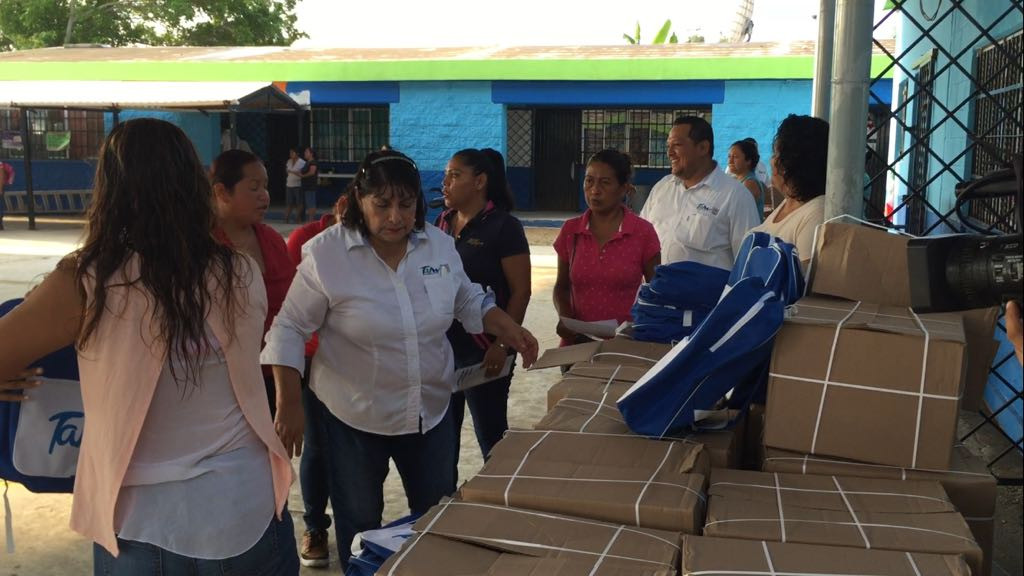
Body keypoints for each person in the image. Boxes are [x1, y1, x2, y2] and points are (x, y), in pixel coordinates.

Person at [0, 118, 298, 574]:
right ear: (195, 185)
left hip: (141, 519)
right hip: (247, 503)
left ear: (111, 190)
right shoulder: (240, 272)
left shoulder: (86, 281)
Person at [261, 148, 539, 571]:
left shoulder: (438, 245)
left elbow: (468, 299)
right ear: (359, 199)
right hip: (354, 417)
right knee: (360, 528)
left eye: (406, 205)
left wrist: (509, 329)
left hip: (429, 413)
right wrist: (288, 402)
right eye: (383, 204)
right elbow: (289, 328)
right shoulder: (326, 255)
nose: (396, 217)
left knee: (433, 520)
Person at [437, 148, 531, 470]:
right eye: (446, 174)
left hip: (484, 353)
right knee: (441, 439)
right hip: (443, 351)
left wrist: (502, 346)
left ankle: (498, 502)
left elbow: (520, 292)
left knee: (491, 437)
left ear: (479, 181)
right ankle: (442, 504)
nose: (445, 182)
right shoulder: (443, 222)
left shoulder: (504, 227)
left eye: (454, 175)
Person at [284, 193, 346, 568]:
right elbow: (288, 312)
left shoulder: (376, 242)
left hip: (357, 366)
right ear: (342, 206)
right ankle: (316, 526)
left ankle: (361, 530)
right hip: (314, 361)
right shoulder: (306, 241)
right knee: (319, 447)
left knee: (357, 449)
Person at [211, 149, 297, 415]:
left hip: (275, 374)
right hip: (221, 380)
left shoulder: (272, 240)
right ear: (222, 192)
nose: (265, 196)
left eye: (266, 187)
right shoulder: (203, 247)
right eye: (254, 187)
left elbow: (291, 309)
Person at [554, 150, 660, 346]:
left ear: (624, 188)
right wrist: (565, 317)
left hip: (626, 345)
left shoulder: (643, 233)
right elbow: (561, 286)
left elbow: (655, 293)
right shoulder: (571, 231)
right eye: (589, 181)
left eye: (605, 182)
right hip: (576, 345)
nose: (594, 190)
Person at [640, 115, 761, 269]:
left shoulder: (735, 196)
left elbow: (748, 265)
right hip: (653, 290)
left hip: (709, 293)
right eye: (668, 146)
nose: (669, 153)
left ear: (703, 148)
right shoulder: (662, 188)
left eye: (677, 145)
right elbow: (641, 240)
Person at [749, 114, 829, 269]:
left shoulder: (817, 213)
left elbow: (803, 282)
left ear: (791, 163)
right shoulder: (789, 202)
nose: (772, 161)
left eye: (776, 154)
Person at [727, 138, 767, 220]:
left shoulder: (749, 183)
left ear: (748, 160)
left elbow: (737, 214)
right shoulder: (739, 180)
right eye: (729, 156)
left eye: (735, 157)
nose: (730, 161)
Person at [284, 147, 307, 224]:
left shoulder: (302, 162)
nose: (291, 154)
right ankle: (286, 218)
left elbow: (302, 173)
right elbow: (287, 171)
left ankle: (298, 217)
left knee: (299, 202)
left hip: (298, 184)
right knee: (289, 202)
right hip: (289, 184)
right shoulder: (289, 161)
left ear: (297, 154)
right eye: (290, 153)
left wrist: (292, 171)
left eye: (292, 153)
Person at [300, 147, 319, 222]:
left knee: (311, 202)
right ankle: (310, 219)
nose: (305, 153)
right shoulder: (307, 162)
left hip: (310, 185)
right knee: (308, 202)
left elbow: (312, 172)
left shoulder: (313, 162)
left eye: (306, 152)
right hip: (305, 185)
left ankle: (311, 219)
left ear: (311, 154)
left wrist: (302, 176)